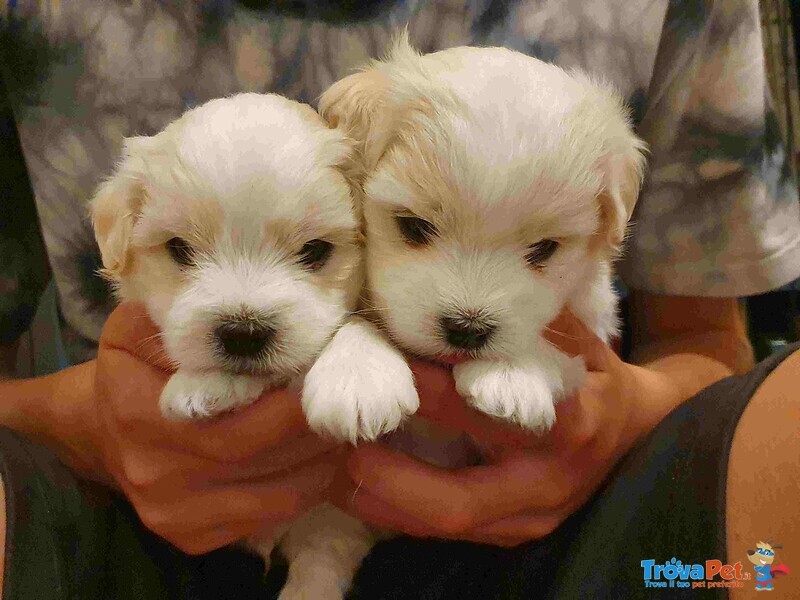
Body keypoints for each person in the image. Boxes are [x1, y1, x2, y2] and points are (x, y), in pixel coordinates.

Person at [0, 0, 798, 598]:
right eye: (415, 229)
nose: (468, 308)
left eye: (538, 250)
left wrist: (632, 408)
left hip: (583, 510)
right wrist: (78, 420)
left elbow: (705, 339)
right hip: (108, 509)